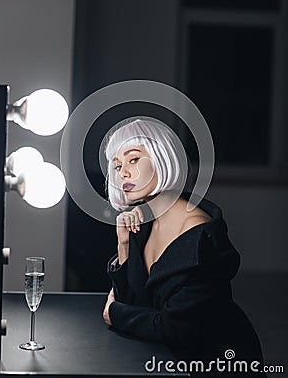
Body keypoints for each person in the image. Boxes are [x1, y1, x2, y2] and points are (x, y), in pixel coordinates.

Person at [102, 118, 266, 376]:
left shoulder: (199, 235)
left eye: (133, 159)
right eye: (117, 165)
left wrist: (116, 313)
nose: (123, 172)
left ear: (163, 157)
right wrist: (124, 244)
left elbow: (174, 328)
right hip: (166, 363)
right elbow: (134, 302)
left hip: (217, 364)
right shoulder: (142, 225)